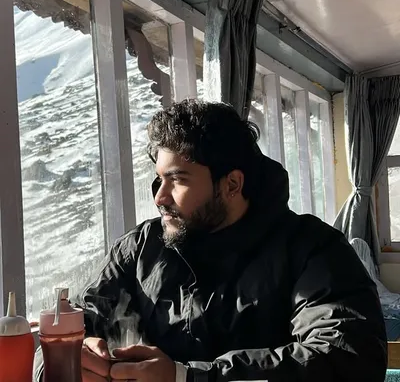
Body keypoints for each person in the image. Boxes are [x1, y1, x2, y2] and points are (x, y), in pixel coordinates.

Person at [35, 99, 387, 381]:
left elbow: (349, 359)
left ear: (232, 184)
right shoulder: (140, 248)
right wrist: (63, 363)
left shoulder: (314, 249)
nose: (159, 197)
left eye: (178, 180)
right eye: (159, 179)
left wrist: (189, 378)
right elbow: (68, 324)